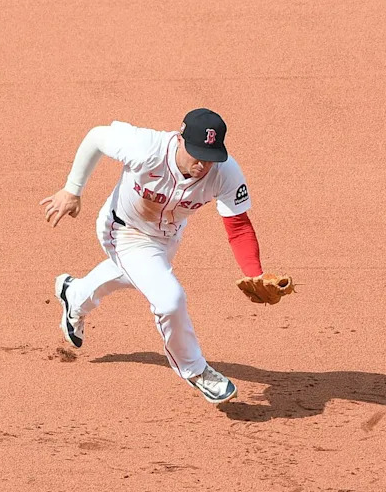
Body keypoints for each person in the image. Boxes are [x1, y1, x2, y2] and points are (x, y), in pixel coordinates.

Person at [40, 108, 271, 404]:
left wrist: (254, 272)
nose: (202, 165)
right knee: (169, 298)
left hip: (167, 238)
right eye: (196, 154)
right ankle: (195, 369)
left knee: (136, 275)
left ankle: (75, 294)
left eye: (210, 157)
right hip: (123, 231)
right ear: (180, 140)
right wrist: (72, 190)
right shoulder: (146, 148)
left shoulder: (225, 172)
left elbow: (238, 226)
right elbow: (97, 136)